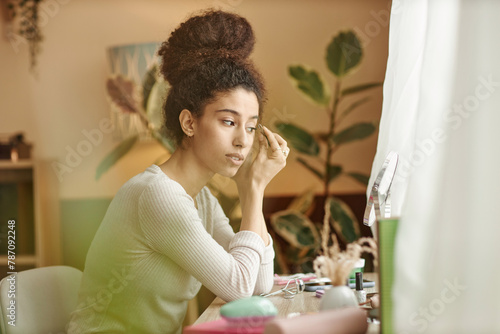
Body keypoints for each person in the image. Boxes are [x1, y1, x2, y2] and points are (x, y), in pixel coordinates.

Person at [67, 9, 289, 334]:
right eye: (228, 122)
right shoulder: (158, 196)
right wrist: (254, 190)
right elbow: (239, 286)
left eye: (252, 127)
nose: (243, 140)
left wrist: (249, 192)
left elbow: (257, 283)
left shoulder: (201, 201)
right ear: (189, 122)